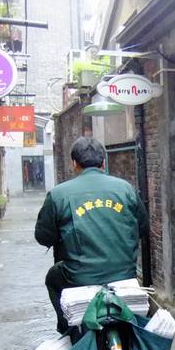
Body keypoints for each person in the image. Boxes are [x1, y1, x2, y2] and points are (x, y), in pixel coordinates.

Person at [35, 136, 149, 334]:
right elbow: (143, 228)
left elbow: (44, 237)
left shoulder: (58, 194)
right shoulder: (125, 189)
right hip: (125, 273)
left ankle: (68, 330)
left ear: (74, 163)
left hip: (78, 277)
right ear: (103, 162)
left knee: (52, 278)